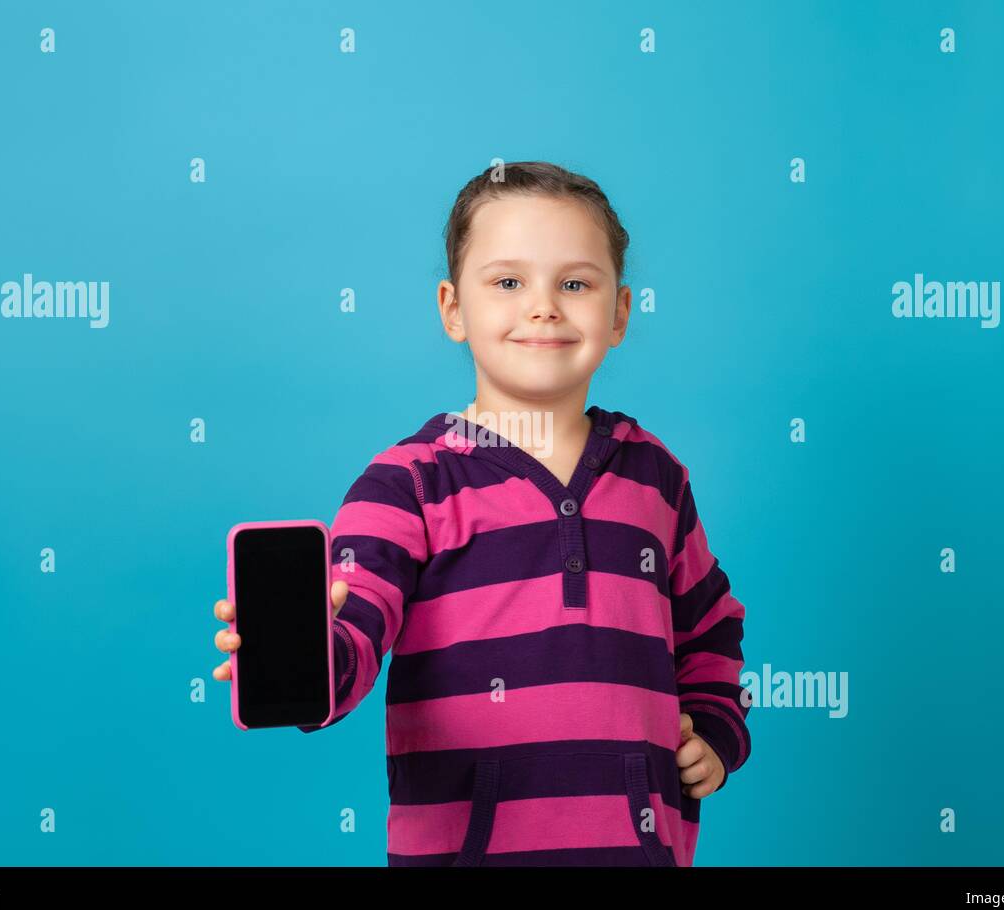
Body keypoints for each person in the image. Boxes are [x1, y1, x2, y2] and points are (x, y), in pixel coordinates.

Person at [212, 161, 750, 866]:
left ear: (619, 313)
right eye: (507, 282)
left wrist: (714, 729)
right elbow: (356, 624)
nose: (543, 307)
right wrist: (305, 655)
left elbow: (711, 624)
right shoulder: (406, 483)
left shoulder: (656, 477)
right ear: (452, 308)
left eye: (576, 284)